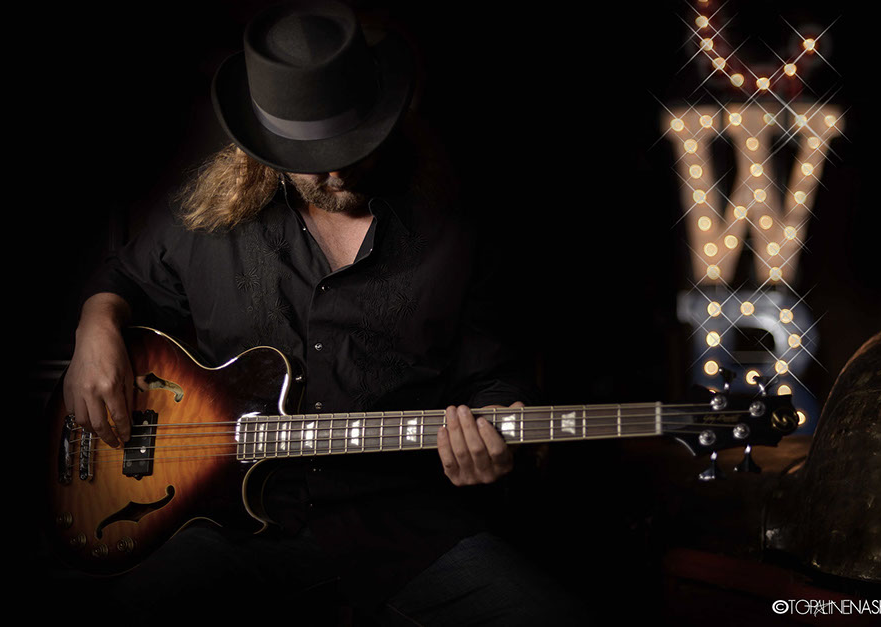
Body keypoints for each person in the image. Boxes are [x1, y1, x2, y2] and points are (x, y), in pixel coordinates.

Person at [62, 1, 578, 623]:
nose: (335, 170)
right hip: (229, 529)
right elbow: (122, 277)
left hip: (406, 532)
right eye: (310, 154)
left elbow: (494, 376)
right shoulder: (208, 225)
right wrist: (96, 325)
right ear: (265, 145)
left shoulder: (457, 232)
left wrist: (495, 436)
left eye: (355, 145)